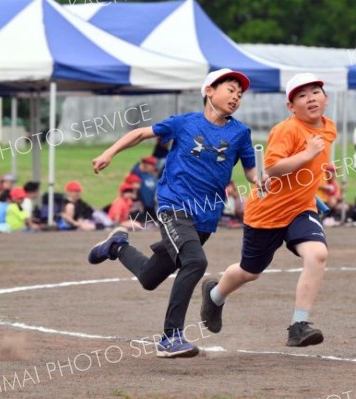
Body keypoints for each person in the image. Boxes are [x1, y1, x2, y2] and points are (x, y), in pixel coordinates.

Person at [87, 68, 257, 358]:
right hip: (173, 207)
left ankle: (117, 246)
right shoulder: (184, 123)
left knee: (149, 277)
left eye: (240, 94)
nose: (236, 96)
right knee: (194, 262)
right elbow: (141, 133)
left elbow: (252, 173)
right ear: (209, 91)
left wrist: (264, 180)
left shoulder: (240, 133)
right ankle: (170, 337)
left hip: (205, 218)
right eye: (231, 89)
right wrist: (108, 153)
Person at [200, 72, 336, 347]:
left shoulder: (329, 127)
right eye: (302, 95)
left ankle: (299, 325)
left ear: (326, 97)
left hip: (301, 209)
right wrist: (308, 154)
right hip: (267, 213)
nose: (310, 98)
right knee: (251, 271)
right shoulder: (288, 129)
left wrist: (322, 167)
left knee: (317, 254)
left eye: (315, 92)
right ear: (291, 106)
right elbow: (270, 169)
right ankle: (214, 295)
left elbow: (315, 159)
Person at [131, 156, 159, 221]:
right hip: (143, 205)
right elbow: (135, 170)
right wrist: (141, 164)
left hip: (153, 205)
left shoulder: (154, 177)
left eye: (151, 165)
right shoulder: (141, 175)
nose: (148, 166)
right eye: (146, 164)